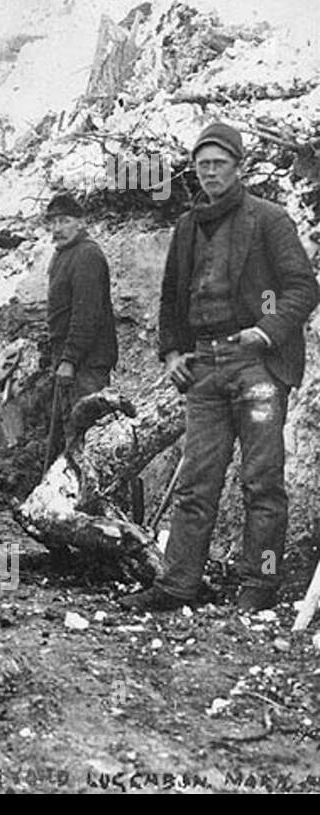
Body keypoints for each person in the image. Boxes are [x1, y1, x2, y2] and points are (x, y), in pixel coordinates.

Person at [122, 122, 319, 614]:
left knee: (262, 484)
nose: (209, 173)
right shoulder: (189, 226)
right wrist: (172, 354)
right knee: (196, 484)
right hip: (204, 370)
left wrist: (266, 331)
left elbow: (301, 287)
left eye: (219, 164)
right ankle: (177, 585)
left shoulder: (269, 220)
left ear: (239, 168)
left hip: (257, 369)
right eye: (202, 165)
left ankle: (261, 585)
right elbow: (171, 299)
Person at [44, 191, 118, 459]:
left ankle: (92, 497)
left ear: (81, 222)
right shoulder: (63, 255)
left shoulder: (87, 255)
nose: (57, 229)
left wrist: (70, 359)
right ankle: (74, 494)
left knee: (88, 434)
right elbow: (62, 312)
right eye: (52, 223)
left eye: (64, 221)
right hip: (69, 360)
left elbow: (86, 314)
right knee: (72, 433)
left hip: (86, 364)